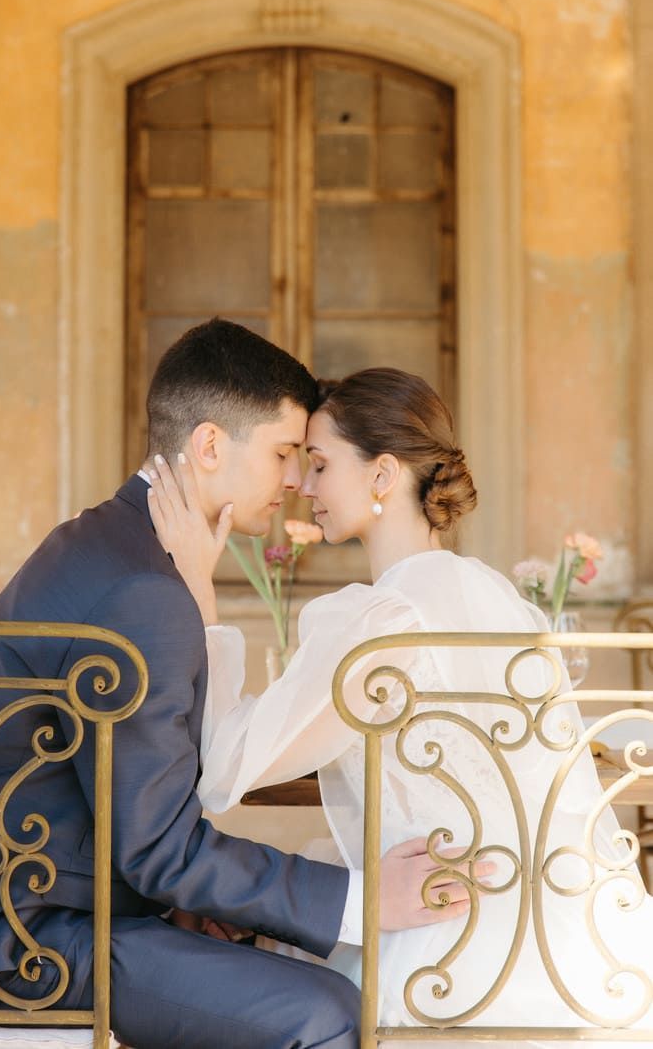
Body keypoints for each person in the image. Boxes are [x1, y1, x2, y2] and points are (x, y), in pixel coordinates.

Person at [0, 321, 478, 1049]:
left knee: (288, 957)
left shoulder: (110, 541)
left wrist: (189, 907)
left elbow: (130, 816)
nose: (295, 480)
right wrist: (360, 899)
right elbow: (157, 846)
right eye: (285, 453)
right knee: (330, 1011)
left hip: (44, 898)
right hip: (15, 939)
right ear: (211, 446)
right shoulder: (145, 591)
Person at [147, 366, 653, 1046]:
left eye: (321, 464)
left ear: (382, 474)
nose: (303, 487)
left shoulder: (378, 618)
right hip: (569, 945)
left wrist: (197, 592)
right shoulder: (493, 594)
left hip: (444, 956)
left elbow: (228, 765)